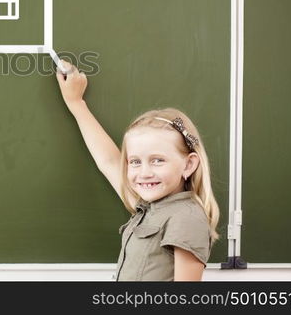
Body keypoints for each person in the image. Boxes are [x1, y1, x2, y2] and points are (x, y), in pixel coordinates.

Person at [55, 59, 219, 281]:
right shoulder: (150, 209)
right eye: (135, 162)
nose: (144, 173)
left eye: (158, 160)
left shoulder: (185, 218)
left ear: (188, 164)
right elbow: (110, 162)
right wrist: (76, 103)